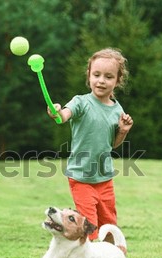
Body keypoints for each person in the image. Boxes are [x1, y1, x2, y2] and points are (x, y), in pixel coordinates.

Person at [47, 48, 133, 241]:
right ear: (89, 75)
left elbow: (113, 145)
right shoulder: (81, 102)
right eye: (97, 75)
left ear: (118, 81)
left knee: (109, 225)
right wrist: (57, 112)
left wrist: (122, 131)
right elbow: (64, 115)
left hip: (104, 177)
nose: (101, 80)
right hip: (81, 177)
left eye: (108, 76)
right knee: (90, 225)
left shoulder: (117, 109)